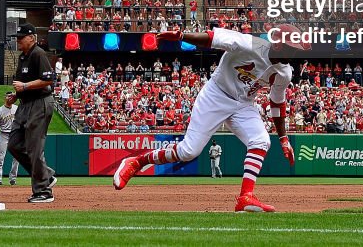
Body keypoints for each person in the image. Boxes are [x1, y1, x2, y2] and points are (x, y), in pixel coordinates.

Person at [113, 25, 307, 212]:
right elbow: (212, 38)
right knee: (188, 151)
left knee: (261, 141)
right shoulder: (250, 44)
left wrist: (283, 138)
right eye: (293, 47)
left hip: (244, 105)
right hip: (216, 95)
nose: (296, 52)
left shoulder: (285, 72)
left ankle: (245, 197)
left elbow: (277, 103)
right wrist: (182, 36)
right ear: (279, 44)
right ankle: (137, 161)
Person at [7, 23, 56, 203]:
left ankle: (43, 191)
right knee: (13, 143)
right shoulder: (22, 57)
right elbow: (22, 84)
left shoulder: (38, 53)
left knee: (35, 148)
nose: (18, 40)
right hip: (25, 104)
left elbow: (48, 80)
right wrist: (16, 95)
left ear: (32, 38)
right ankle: (46, 175)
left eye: (21, 37)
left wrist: (25, 86)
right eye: (17, 37)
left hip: (40, 103)